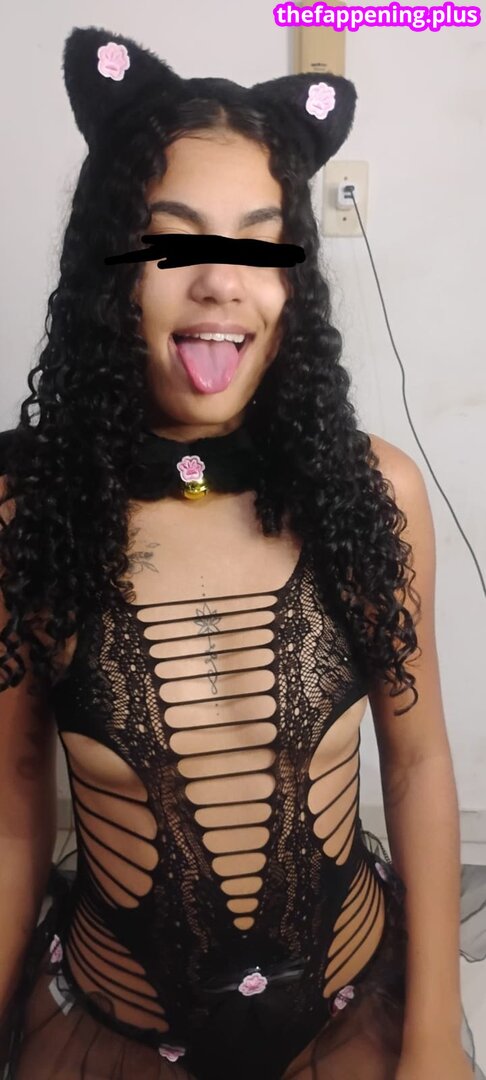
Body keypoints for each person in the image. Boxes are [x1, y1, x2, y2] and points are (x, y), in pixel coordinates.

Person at [0, 24, 483, 1080]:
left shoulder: (371, 494)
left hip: (353, 1015)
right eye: (172, 242)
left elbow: (418, 761)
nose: (222, 281)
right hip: (107, 1032)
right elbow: (11, 809)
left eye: (261, 246)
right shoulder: (24, 510)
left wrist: (434, 1038)